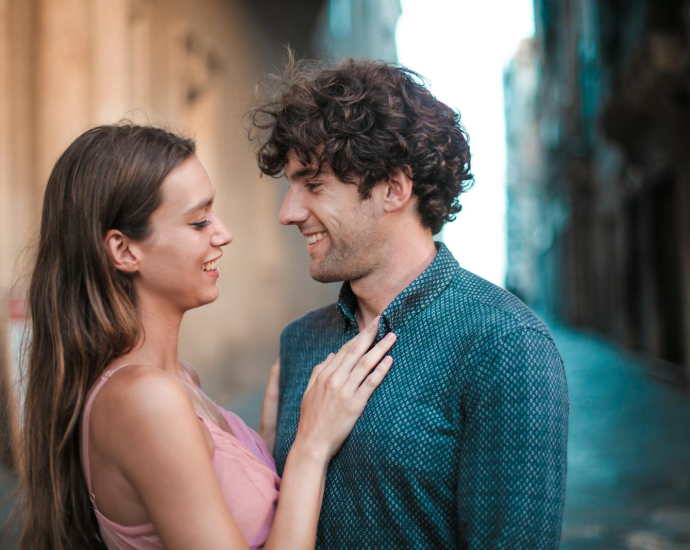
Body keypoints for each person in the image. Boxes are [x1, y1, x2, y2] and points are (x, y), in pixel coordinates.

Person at [17, 123, 396, 550]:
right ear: (124, 251)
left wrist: (265, 444)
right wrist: (310, 446)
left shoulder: (181, 380)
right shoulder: (144, 399)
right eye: (199, 222)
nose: (223, 233)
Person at [249, 57, 569, 548]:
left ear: (394, 189)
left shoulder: (506, 345)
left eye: (313, 185)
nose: (288, 213)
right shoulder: (300, 341)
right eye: (290, 187)